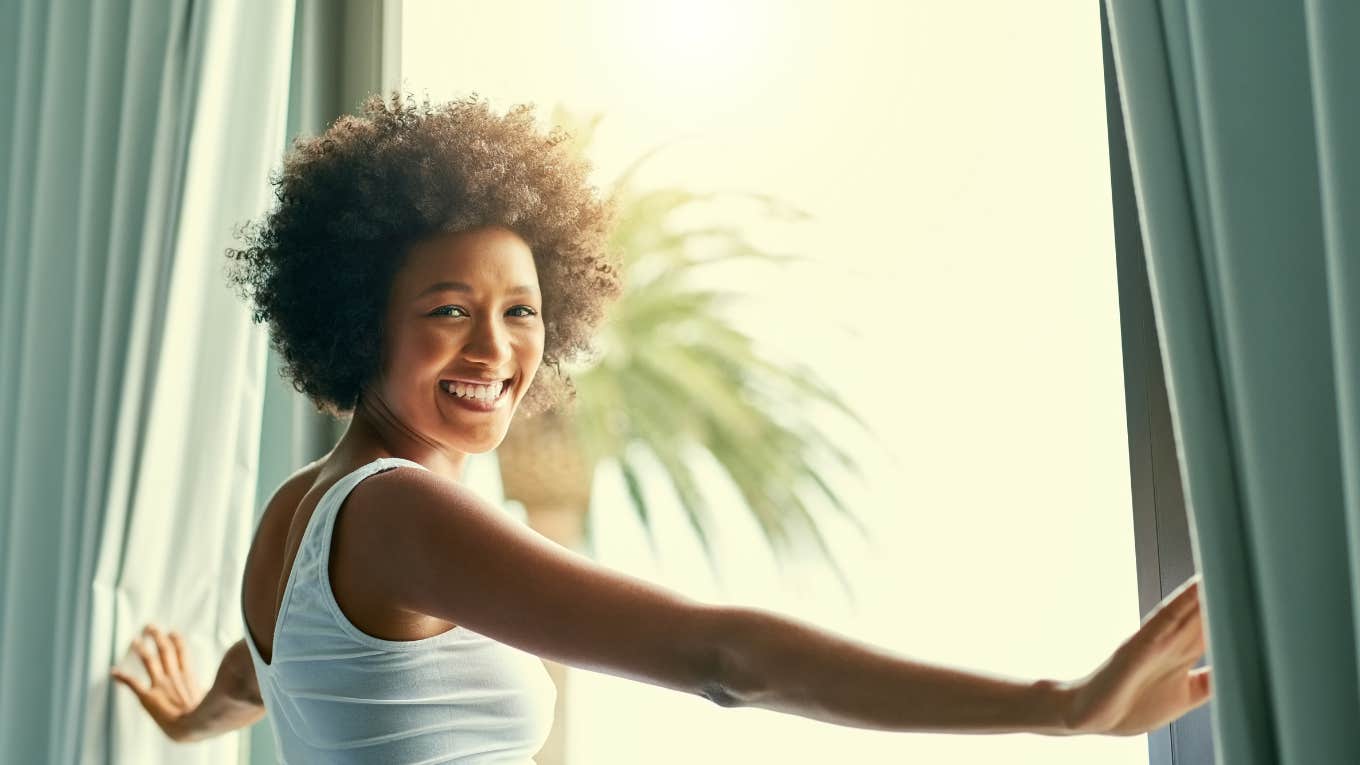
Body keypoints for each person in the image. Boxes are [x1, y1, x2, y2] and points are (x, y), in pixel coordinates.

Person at [110, 90, 1212, 762]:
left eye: (521, 313)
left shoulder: (298, 514)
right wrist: (1061, 709)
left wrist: (183, 722)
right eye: (447, 313)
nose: (494, 351)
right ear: (359, 319)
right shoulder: (398, 513)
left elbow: (255, 681)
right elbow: (718, 654)